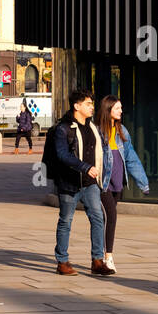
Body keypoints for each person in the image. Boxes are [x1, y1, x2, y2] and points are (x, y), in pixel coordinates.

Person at [48, 89, 112, 276]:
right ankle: (62, 261)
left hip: (90, 182)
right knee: (66, 220)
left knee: (97, 218)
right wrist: (85, 167)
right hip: (69, 183)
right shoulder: (64, 128)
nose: (92, 107)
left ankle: (97, 261)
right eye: (88, 104)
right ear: (77, 106)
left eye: (92, 103)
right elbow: (62, 155)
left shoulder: (92, 127)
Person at [97, 95, 151, 273]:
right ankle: (107, 257)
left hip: (117, 182)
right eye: (117, 108)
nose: (121, 111)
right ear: (108, 110)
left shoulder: (122, 131)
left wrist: (143, 183)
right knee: (110, 216)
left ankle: (99, 256)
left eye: (121, 108)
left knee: (106, 219)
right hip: (103, 183)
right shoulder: (98, 132)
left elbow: (131, 158)